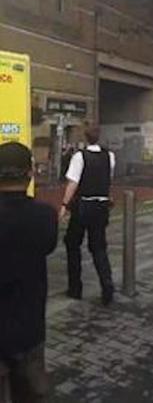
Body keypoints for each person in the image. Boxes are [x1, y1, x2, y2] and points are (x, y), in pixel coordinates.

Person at [0, 142, 58, 403]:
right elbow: (47, 247)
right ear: (30, 173)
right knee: (31, 392)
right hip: (30, 328)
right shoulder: (45, 216)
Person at [59, 125, 116, 305]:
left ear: (86, 136)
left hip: (83, 205)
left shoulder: (79, 156)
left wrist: (64, 205)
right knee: (99, 246)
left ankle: (75, 288)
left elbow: (73, 183)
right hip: (101, 206)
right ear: (100, 136)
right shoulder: (110, 156)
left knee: (72, 243)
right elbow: (108, 179)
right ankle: (107, 286)